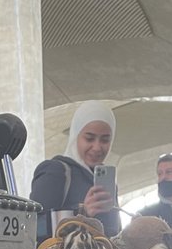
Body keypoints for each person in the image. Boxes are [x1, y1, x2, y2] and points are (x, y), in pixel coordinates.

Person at [30, 102, 121, 240]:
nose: (97, 147)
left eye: (105, 140)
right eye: (89, 138)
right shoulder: (56, 171)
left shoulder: (107, 183)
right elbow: (33, 227)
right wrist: (81, 214)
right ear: (75, 135)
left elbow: (112, 233)